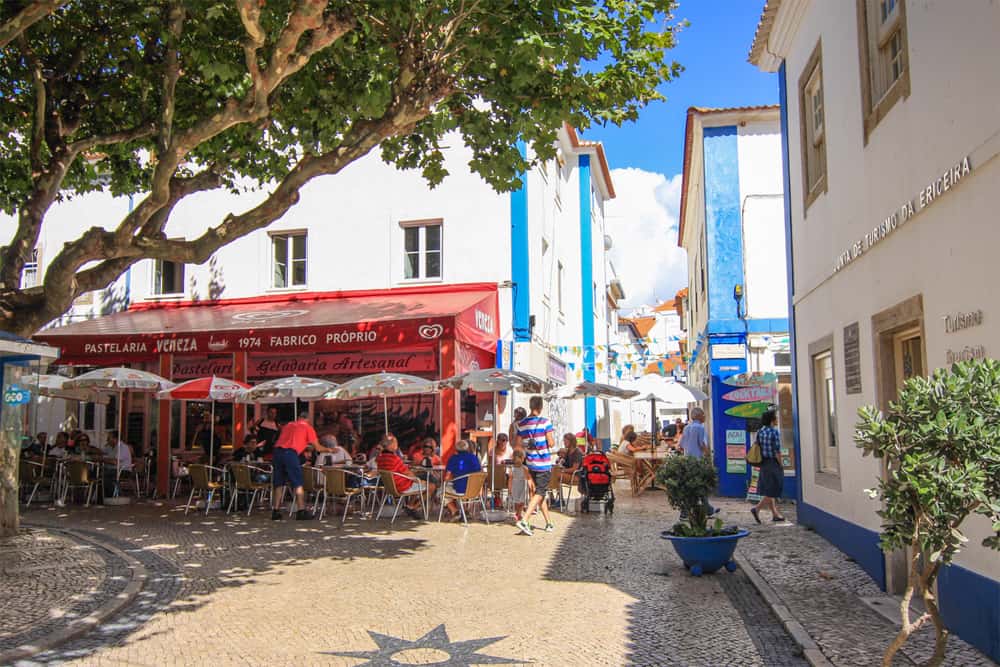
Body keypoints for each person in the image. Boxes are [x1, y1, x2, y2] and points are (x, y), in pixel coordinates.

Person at [270, 411, 334, 520]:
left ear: (299, 417)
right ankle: (301, 511)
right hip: (290, 453)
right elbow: (318, 448)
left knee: (279, 483)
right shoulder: (307, 427)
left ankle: (275, 511)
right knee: (297, 482)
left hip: (277, 452)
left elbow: (286, 439)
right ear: (308, 419)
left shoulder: (288, 425)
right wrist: (330, 450)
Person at [514, 395, 555, 536]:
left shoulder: (522, 424)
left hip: (530, 463)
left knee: (538, 493)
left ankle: (549, 523)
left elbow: (518, 445)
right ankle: (524, 520)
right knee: (540, 492)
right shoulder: (545, 422)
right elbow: (551, 443)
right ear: (541, 407)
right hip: (543, 463)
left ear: (530, 406)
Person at [677, 406, 718, 518]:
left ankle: (707, 509)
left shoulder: (686, 428)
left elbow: (680, 446)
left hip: (687, 460)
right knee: (699, 485)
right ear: (699, 416)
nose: (705, 416)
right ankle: (687, 512)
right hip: (697, 461)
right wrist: (708, 455)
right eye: (703, 415)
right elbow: (702, 444)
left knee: (693, 486)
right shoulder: (700, 428)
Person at [375, 434, 425, 518]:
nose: (397, 445)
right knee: (429, 486)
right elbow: (408, 473)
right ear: (391, 446)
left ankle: (410, 506)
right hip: (401, 487)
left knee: (419, 484)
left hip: (390, 487)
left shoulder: (380, 458)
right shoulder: (395, 459)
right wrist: (417, 479)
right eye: (396, 443)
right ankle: (411, 507)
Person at [751, 410, 787, 523]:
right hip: (772, 462)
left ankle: (775, 514)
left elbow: (758, 446)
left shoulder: (760, 431)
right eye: (775, 417)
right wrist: (781, 464)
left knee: (768, 488)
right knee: (773, 489)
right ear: (772, 420)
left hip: (763, 462)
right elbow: (777, 451)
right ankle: (756, 509)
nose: (777, 419)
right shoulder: (774, 432)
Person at [442, 439, 482, 521]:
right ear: (467, 448)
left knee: (442, 490)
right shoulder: (474, 458)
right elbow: (480, 472)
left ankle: (455, 511)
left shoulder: (453, 458)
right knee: (458, 485)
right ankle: (465, 511)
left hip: (460, 490)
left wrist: (450, 480)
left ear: (456, 449)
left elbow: (447, 477)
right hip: (474, 490)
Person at [508, 449, 532, 521]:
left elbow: (510, 479)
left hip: (517, 486)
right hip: (520, 486)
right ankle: (518, 514)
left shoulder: (516, 468)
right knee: (520, 502)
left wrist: (509, 488)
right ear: (523, 458)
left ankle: (518, 514)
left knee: (518, 502)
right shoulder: (523, 468)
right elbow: (528, 478)